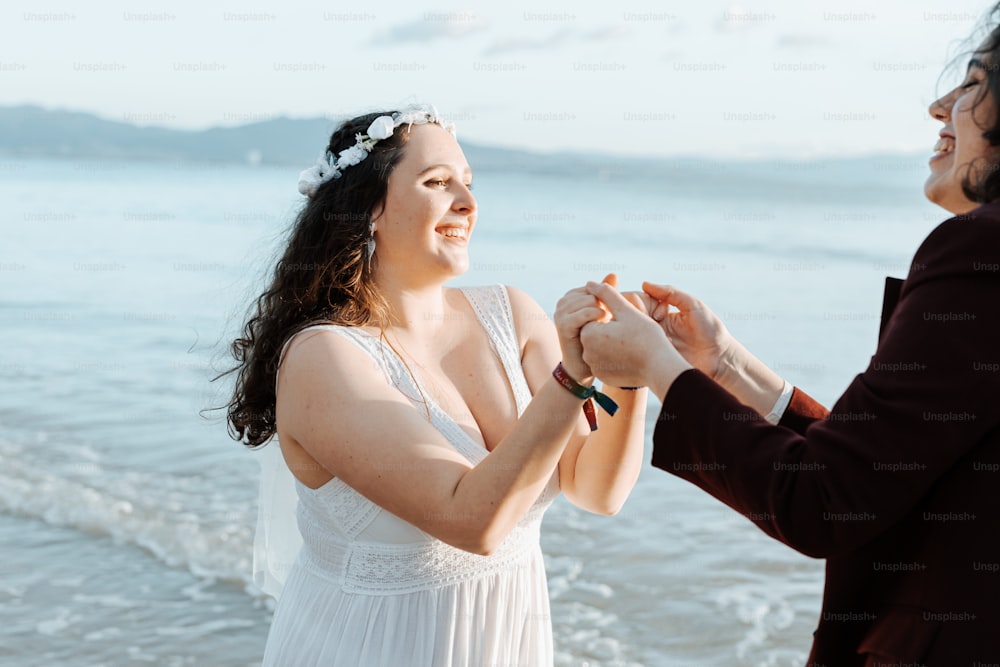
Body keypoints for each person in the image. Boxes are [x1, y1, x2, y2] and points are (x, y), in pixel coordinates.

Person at [568, 10, 1000, 667]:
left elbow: (822, 500)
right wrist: (725, 364)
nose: (941, 105)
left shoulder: (979, 251)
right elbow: (886, 466)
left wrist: (657, 367)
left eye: (972, 83)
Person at [224, 104, 648, 666]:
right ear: (368, 207)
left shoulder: (513, 317)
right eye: (438, 182)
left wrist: (626, 376)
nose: (468, 204)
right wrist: (571, 378)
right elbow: (471, 521)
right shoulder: (325, 357)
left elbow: (598, 491)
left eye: (468, 184)